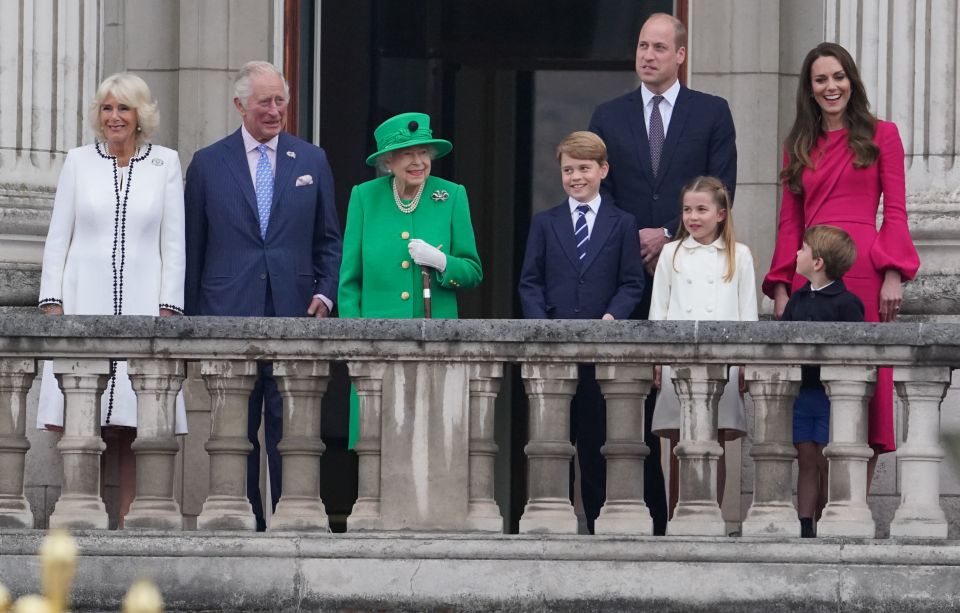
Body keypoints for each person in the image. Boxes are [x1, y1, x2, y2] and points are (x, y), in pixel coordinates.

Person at [588, 12, 737, 534]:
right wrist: (635, 239)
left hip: (691, 276)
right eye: (641, 45)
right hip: (624, 279)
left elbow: (722, 189)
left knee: (686, 410)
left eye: (658, 47)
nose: (647, 55)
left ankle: (687, 519)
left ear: (680, 55)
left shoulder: (711, 112)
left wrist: (669, 234)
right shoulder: (608, 115)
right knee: (623, 405)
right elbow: (596, 195)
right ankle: (633, 517)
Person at [184, 61, 342, 531]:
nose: (275, 111)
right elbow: (194, 246)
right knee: (234, 434)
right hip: (226, 315)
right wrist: (190, 325)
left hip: (294, 314)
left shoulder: (310, 160)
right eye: (265, 102)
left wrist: (326, 294)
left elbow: (328, 239)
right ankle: (244, 527)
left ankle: (289, 525)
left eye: (281, 101)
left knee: (289, 432)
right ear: (240, 105)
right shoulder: (208, 163)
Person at [763, 42, 920, 483]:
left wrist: (893, 273)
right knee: (811, 388)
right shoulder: (797, 144)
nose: (831, 87)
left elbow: (897, 211)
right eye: (821, 79)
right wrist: (781, 285)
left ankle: (854, 508)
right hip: (810, 270)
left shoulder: (882, 133)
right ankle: (812, 514)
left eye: (838, 76)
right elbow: (788, 221)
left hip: (866, 272)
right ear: (809, 90)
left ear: (851, 81)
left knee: (865, 386)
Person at [37, 72, 187, 526]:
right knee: (87, 416)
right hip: (85, 301)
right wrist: (52, 302)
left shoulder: (165, 163)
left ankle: (133, 519)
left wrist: (168, 307)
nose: (114, 117)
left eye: (124, 108)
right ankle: (83, 517)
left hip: (144, 304)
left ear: (141, 115)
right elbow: (58, 236)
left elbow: (174, 242)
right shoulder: (79, 162)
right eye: (107, 108)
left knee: (135, 417)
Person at [518, 131, 645, 534]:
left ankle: (594, 524)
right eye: (568, 169)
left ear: (602, 170)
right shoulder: (545, 222)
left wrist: (612, 319)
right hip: (555, 351)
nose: (575, 177)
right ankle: (551, 522)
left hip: (601, 351)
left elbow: (631, 283)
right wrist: (543, 328)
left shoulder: (623, 223)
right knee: (552, 442)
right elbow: (530, 282)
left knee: (595, 441)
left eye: (584, 168)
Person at [338, 112, 482, 447]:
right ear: (388, 160)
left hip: (434, 345)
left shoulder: (451, 196)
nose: (419, 162)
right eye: (407, 154)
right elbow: (349, 282)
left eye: (424, 153)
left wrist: (443, 262)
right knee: (378, 443)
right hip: (376, 349)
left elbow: (473, 270)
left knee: (433, 444)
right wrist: (355, 343)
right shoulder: (364, 197)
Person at [648, 176, 757, 520]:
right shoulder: (671, 252)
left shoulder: (739, 255)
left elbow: (747, 314)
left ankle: (712, 516)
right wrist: (656, 360)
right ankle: (676, 518)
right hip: (676, 362)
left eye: (701, 209)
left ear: (721, 214)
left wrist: (745, 364)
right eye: (686, 210)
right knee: (679, 444)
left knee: (716, 444)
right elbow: (659, 310)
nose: (693, 217)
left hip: (722, 363)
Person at [781, 225, 864, 538]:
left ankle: (829, 518)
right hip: (803, 393)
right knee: (806, 458)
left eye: (802, 249)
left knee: (830, 458)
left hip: (833, 397)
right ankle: (804, 524)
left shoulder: (847, 303)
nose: (797, 253)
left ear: (817, 262)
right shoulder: (797, 299)